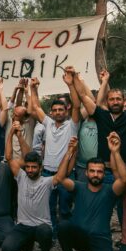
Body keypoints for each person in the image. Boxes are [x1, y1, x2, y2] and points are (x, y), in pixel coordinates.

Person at [3, 122, 75, 251]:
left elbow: (61, 175)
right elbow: (9, 157)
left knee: (45, 231)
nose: (30, 170)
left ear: (40, 168)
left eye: (33, 167)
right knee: (7, 249)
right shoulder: (20, 176)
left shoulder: (47, 182)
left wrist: (69, 152)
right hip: (23, 226)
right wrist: (12, 133)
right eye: (28, 167)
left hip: (41, 227)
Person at [55, 132, 126, 251]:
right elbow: (60, 177)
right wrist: (70, 152)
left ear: (103, 174)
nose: (96, 174)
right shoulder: (79, 187)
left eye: (99, 172)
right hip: (79, 237)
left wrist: (115, 152)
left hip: (100, 239)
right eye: (92, 171)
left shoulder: (110, 190)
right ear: (87, 173)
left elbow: (125, 179)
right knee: (63, 226)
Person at [27, 68, 80, 234]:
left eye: (61, 110)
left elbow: (77, 106)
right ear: (51, 112)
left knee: (65, 208)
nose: (57, 112)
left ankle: (65, 234)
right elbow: (35, 106)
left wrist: (71, 84)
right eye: (55, 110)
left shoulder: (72, 125)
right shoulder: (48, 123)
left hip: (65, 174)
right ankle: (52, 233)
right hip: (48, 173)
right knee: (48, 207)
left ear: (66, 111)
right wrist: (34, 88)